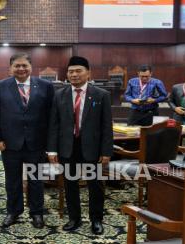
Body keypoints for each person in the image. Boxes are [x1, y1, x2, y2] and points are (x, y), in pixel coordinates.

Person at [47, 56, 113, 235]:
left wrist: (106, 151)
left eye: (78, 71)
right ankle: (74, 218)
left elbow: (107, 126)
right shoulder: (59, 94)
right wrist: (52, 149)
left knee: (95, 185)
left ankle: (96, 219)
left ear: (88, 73)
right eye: (70, 72)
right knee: (70, 185)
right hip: (68, 148)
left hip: (93, 149)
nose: (74, 75)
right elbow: (54, 124)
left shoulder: (101, 95)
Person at [0, 53, 54, 229]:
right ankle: (13, 212)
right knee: (12, 181)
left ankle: (37, 213)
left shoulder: (45, 86)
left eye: (24, 65)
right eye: (17, 66)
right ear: (11, 68)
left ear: (31, 67)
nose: (21, 69)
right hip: (9, 143)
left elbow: (51, 116)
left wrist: (50, 143)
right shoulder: (1, 86)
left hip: (36, 142)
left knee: (36, 180)